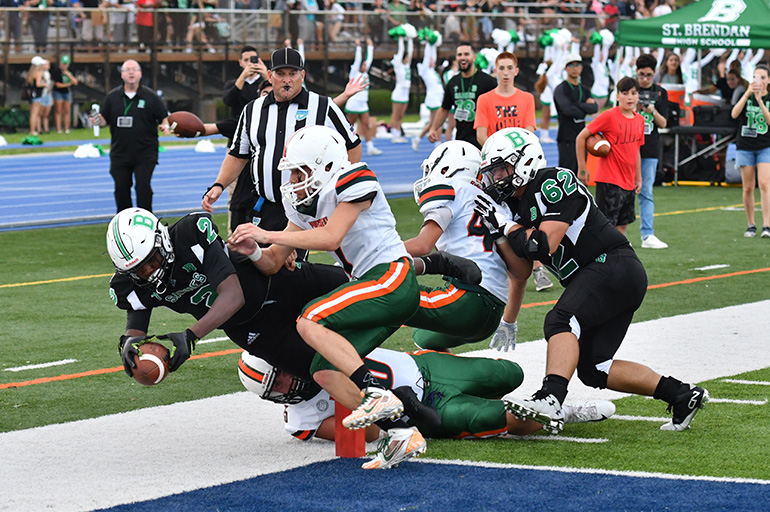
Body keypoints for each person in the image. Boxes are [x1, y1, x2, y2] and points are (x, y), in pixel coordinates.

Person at [107, 206, 467, 469]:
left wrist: (191, 334)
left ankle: (430, 265)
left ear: (160, 240)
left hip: (281, 284)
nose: (148, 271)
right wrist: (130, 340)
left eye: (151, 260)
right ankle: (400, 423)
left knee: (366, 283)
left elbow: (232, 295)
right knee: (323, 371)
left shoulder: (189, 232)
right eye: (138, 268)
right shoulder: (132, 282)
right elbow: (138, 312)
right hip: (258, 330)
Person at [473, 127, 710, 434]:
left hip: (612, 264)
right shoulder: (513, 208)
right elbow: (520, 269)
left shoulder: (553, 181)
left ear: (525, 162)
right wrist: (510, 318)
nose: (497, 178)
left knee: (560, 321)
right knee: (594, 368)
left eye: (502, 169)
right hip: (600, 277)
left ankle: (550, 398)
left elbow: (542, 245)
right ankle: (682, 395)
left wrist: (506, 227)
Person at [227, 125, 426, 469]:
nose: (292, 179)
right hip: (367, 287)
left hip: (392, 275)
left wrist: (265, 231)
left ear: (328, 164)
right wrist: (254, 251)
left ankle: (376, 393)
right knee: (323, 370)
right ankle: (401, 431)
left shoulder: (354, 178)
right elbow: (275, 260)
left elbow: (331, 236)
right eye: (290, 172)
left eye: (299, 170)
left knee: (310, 319)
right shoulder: (302, 205)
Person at [240, 348, 617, 442]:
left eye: (283, 375)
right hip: (425, 410)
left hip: (426, 367)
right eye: (278, 388)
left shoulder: (313, 343)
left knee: (510, 373)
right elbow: (368, 435)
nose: (289, 384)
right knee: (500, 418)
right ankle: (564, 412)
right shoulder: (301, 420)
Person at [201, 47, 361, 239]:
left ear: (302, 75)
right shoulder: (252, 110)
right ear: (270, 76)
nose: (287, 80)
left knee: (294, 267)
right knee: (258, 263)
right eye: (280, 74)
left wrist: (342, 188)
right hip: (265, 205)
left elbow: (352, 146)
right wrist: (219, 184)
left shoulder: (323, 106)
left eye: (292, 74)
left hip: (305, 208)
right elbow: (238, 155)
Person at [404, 140, 522, 352]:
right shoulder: (497, 206)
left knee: (385, 295)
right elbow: (519, 274)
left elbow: (423, 245)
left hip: (466, 297)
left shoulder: (452, 188)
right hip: (493, 311)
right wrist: (509, 320)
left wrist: (377, 253)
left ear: (447, 167)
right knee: (423, 338)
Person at [474, 50, 552, 304]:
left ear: (516, 71)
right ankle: (504, 272)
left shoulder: (526, 98)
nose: (506, 72)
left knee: (532, 214)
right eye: (501, 68)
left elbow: (529, 131)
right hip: (498, 171)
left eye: (510, 68)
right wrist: (500, 157)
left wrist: (515, 158)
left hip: (522, 167)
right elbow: (481, 135)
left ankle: (538, 267)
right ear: (495, 70)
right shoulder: (485, 99)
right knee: (498, 217)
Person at [91, 60, 170, 213]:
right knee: (121, 188)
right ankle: (123, 222)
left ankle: (146, 220)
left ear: (140, 74)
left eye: (134, 69)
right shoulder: (113, 97)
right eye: (127, 70)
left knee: (143, 187)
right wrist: (96, 120)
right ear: (122, 74)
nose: (131, 72)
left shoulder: (150, 97)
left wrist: (165, 125)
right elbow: (104, 120)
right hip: (120, 153)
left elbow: (164, 116)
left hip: (145, 152)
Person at [576, 77, 644, 236]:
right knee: (606, 228)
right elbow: (581, 137)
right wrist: (582, 168)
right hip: (609, 181)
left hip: (628, 183)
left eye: (633, 93)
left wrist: (638, 177)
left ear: (638, 96)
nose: (629, 97)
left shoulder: (639, 120)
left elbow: (636, 150)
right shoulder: (609, 116)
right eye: (625, 93)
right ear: (617, 96)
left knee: (622, 227)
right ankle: (602, 259)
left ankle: (618, 259)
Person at [221, 46, 268, 234]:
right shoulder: (234, 83)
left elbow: (278, 95)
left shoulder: (266, 84)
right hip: (237, 146)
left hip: (262, 146)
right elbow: (229, 100)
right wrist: (243, 77)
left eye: (254, 59)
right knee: (233, 191)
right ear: (240, 62)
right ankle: (233, 232)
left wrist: (266, 75)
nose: (251, 63)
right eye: (247, 60)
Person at [428, 44, 497, 149]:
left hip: (484, 140)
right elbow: (444, 108)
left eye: (466, 54)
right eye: (459, 55)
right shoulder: (453, 82)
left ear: (474, 58)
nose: (463, 57)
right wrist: (433, 128)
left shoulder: (488, 81)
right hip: (462, 139)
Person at [731, 64, 770, 238]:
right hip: (745, 146)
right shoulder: (744, 95)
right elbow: (734, 114)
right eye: (756, 77)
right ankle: (751, 224)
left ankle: (767, 225)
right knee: (747, 187)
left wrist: (760, 101)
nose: (759, 81)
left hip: (765, 146)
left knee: (764, 183)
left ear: (768, 80)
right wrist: (748, 94)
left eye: (762, 77)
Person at [635, 53, 669, 249]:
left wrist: (651, 111)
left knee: (646, 191)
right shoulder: (630, 89)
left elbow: (664, 123)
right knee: (622, 193)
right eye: (642, 75)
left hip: (649, 148)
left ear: (654, 73)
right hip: (629, 147)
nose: (645, 79)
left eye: (648, 75)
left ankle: (647, 234)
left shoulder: (660, 93)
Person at [553, 54, 597, 175]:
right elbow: (567, 109)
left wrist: (575, 104)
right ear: (566, 68)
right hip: (566, 137)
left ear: (581, 68)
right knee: (567, 173)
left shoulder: (585, 89)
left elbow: (594, 108)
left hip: (582, 136)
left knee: (582, 172)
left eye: (578, 65)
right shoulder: (561, 88)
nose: (575, 68)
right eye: (571, 65)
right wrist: (584, 106)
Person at [344, 38, 382, 156]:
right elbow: (358, 60)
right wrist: (359, 47)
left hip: (363, 104)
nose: (365, 66)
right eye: (363, 65)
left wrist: (370, 47)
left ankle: (370, 147)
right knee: (348, 127)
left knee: (366, 124)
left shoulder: (365, 73)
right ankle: (343, 147)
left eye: (366, 65)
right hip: (354, 103)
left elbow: (368, 60)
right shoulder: (355, 72)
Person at [412, 36, 445, 151]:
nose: (432, 60)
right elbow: (427, 57)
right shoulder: (425, 70)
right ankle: (438, 143)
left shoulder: (432, 70)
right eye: (430, 59)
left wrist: (433, 44)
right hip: (433, 98)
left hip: (438, 97)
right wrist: (427, 43)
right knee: (438, 121)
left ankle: (417, 138)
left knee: (433, 122)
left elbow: (432, 56)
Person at [389, 36, 414, 143]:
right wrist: (400, 39)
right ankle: (394, 135)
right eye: (407, 56)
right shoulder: (398, 66)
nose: (408, 58)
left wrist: (410, 39)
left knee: (401, 115)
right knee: (395, 115)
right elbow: (401, 51)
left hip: (405, 93)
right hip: (398, 93)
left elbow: (411, 51)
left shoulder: (407, 66)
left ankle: (398, 133)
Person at [51, 55, 79, 134]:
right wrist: (68, 84)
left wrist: (69, 75)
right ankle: (58, 129)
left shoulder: (70, 71)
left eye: (66, 64)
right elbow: (57, 84)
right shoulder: (57, 71)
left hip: (67, 92)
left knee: (66, 111)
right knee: (58, 110)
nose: (65, 65)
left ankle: (67, 128)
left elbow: (75, 82)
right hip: (58, 92)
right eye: (63, 63)